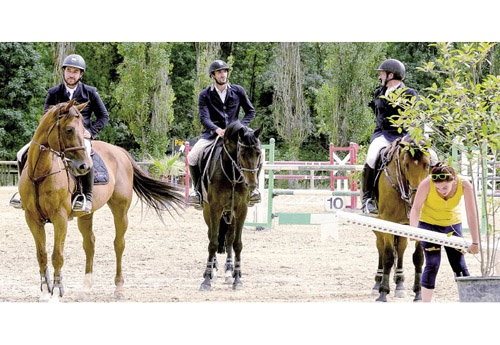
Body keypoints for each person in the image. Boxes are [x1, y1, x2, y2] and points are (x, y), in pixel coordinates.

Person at [10, 54, 109, 213]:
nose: (71, 74)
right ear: (64, 72)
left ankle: (86, 197)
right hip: (55, 136)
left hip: (79, 136)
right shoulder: (54, 92)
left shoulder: (90, 93)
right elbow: (44, 117)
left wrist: (91, 132)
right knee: (22, 153)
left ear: (80, 74)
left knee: (87, 154)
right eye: (69, 70)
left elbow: (104, 116)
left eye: (75, 72)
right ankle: (23, 194)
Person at [187, 59, 259, 210]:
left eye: (225, 71)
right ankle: (197, 192)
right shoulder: (205, 95)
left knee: (260, 153)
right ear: (213, 75)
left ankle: (254, 190)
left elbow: (250, 111)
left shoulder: (238, 91)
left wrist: (240, 127)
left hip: (236, 135)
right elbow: (204, 117)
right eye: (219, 72)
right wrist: (217, 129)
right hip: (212, 135)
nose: (223, 74)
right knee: (192, 156)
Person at [409, 163, 480, 302]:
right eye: (438, 188)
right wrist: (413, 231)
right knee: (432, 263)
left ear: (453, 179)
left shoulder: (464, 185)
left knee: (459, 263)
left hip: (452, 225)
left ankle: (470, 302)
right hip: (429, 224)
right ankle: (425, 304)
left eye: (445, 187)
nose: (442, 191)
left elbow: (472, 214)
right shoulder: (426, 183)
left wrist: (475, 241)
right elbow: (416, 208)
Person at [361, 58, 419, 214]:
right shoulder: (378, 92)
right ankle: (368, 199)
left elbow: (413, 117)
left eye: (382, 74)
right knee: (372, 156)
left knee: (429, 157)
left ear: (391, 75)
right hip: (382, 134)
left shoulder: (409, 93)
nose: (380, 76)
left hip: (404, 134)